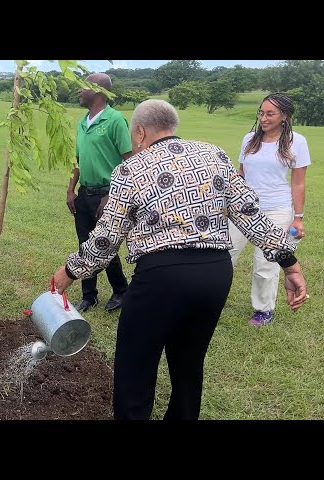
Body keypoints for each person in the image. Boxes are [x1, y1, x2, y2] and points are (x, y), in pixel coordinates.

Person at [52, 99, 308, 420]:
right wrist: (290, 263)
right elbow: (250, 214)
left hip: (161, 278)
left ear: (141, 132)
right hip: (214, 275)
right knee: (188, 365)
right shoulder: (214, 154)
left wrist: (68, 272)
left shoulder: (130, 169)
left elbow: (105, 241)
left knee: (135, 367)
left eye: (134, 136)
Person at [229, 93, 310, 327]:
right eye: (261, 113)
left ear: (284, 116)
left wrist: (298, 218)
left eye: (270, 114)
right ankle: (210, 298)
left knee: (266, 263)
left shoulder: (297, 141)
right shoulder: (249, 139)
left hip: (276, 209)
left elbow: (298, 183)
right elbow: (241, 173)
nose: (264, 118)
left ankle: (263, 310)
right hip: (243, 209)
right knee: (224, 255)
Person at [66, 72, 132, 313]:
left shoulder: (115, 121)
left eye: (83, 87)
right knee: (85, 244)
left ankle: (122, 291)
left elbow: (129, 161)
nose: (79, 91)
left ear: (99, 91)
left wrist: (112, 194)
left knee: (104, 244)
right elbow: (78, 160)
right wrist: (71, 189)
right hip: (85, 193)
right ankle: (89, 295)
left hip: (107, 195)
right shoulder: (83, 122)